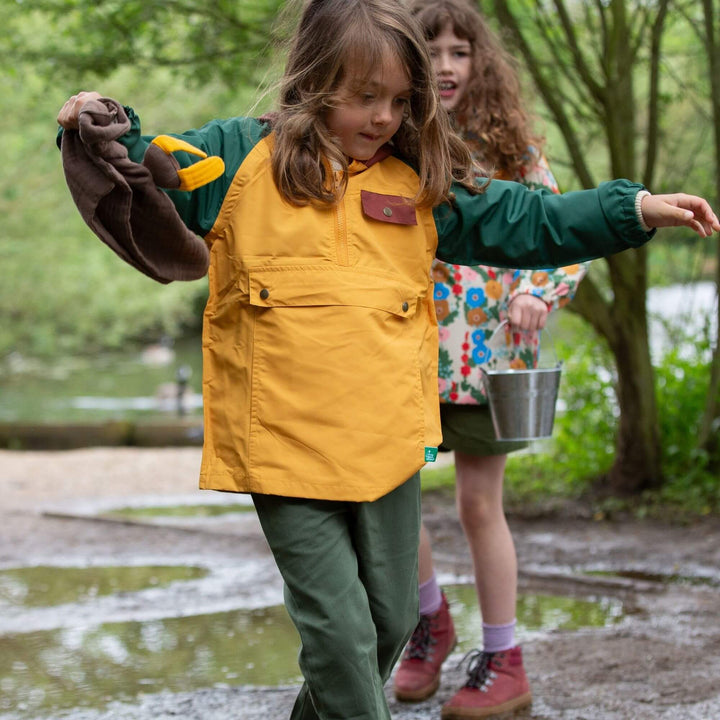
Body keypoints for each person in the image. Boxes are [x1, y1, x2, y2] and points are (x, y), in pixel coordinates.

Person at [55, 1, 718, 718]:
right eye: (366, 96)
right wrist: (97, 117)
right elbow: (146, 157)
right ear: (314, 81)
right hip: (285, 445)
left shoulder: (419, 182)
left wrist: (634, 209)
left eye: (401, 100)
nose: (384, 117)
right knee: (340, 636)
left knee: (392, 621)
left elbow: (530, 220)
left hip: (387, 439)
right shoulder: (238, 159)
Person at [394, 1, 587, 717]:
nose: (445, 64)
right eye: (431, 49)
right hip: (402, 351)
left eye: (459, 51)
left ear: (481, 63)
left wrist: (538, 292)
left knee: (480, 504)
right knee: (392, 496)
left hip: (486, 359)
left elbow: (567, 233)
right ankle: (429, 622)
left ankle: (505, 660)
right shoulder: (392, 137)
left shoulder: (512, 149)